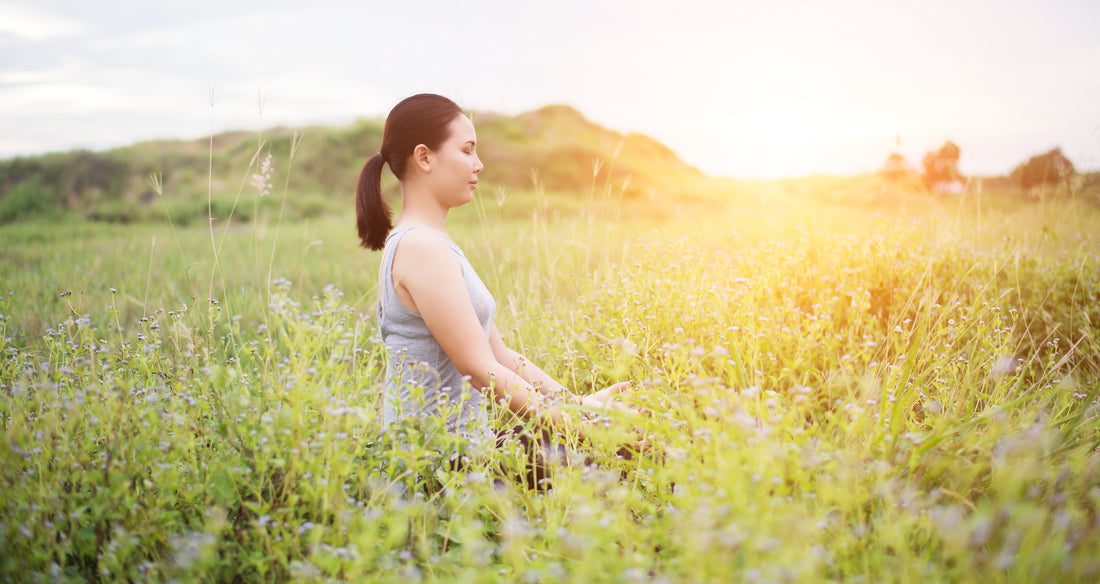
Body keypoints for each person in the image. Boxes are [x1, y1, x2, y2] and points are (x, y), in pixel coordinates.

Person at [355, 94, 632, 467]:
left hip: (466, 451)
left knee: (626, 428)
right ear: (424, 158)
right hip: (436, 469)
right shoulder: (421, 247)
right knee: (626, 450)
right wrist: (583, 429)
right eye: (467, 151)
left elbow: (498, 354)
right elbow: (479, 367)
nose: (479, 164)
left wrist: (579, 404)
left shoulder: (433, 243)